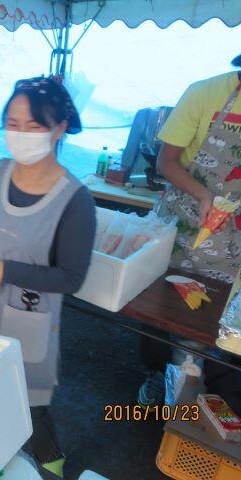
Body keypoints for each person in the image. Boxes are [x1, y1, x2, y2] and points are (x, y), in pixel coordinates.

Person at [0, 77, 96, 478]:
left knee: (28, 403)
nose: (21, 134)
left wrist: (6, 270)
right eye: (13, 123)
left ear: (60, 128)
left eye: (34, 125)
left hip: (29, 321)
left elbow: (72, 277)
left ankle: (50, 464)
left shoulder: (74, 199)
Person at [137, 54, 241, 405]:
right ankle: (157, 375)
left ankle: (205, 397)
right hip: (184, 219)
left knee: (218, 320)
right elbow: (166, 161)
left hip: (233, 240)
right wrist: (204, 195)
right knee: (159, 305)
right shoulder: (205, 92)